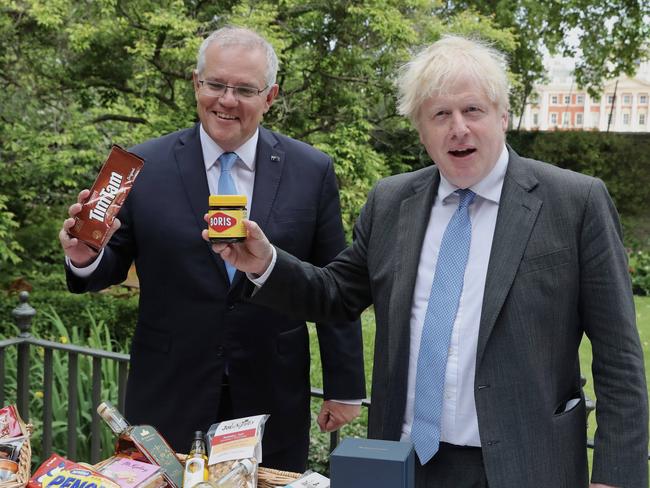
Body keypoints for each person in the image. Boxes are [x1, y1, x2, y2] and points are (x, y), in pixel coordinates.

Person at [209, 35, 649, 487]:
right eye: (440, 114)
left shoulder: (574, 203)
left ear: (503, 115)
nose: (458, 128)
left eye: (472, 110)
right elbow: (335, 294)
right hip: (404, 465)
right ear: (421, 130)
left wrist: (614, 477)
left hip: (525, 466)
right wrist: (264, 263)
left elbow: (619, 359)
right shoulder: (392, 201)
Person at [58, 26, 366, 472]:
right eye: (216, 84)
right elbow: (109, 262)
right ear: (196, 84)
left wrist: (344, 386)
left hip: (272, 395)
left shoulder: (311, 170)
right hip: (168, 393)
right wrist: (85, 258)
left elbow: (333, 282)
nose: (226, 99)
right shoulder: (140, 166)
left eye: (244, 89)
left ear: (270, 96)